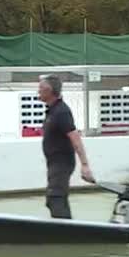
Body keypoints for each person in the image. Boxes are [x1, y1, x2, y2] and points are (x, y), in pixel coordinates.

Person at [38, 74, 94, 219]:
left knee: (55, 198)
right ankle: (65, 226)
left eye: (40, 88)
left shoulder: (61, 112)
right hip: (54, 163)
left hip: (62, 163)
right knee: (54, 199)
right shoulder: (52, 110)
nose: (38, 91)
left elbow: (75, 138)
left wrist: (85, 165)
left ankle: (66, 230)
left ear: (48, 90)